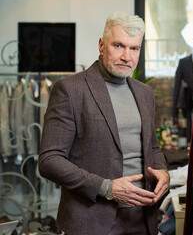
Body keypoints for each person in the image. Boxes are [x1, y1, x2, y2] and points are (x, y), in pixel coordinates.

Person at [39, 12, 170, 235]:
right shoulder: (71, 90)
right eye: (118, 45)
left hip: (143, 219)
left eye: (134, 48)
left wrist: (163, 172)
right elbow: (49, 161)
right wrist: (106, 188)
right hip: (91, 220)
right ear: (101, 44)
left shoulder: (145, 92)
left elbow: (152, 147)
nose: (126, 56)